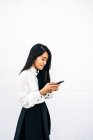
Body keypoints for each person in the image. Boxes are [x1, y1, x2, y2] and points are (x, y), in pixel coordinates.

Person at [14, 43, 60, 140]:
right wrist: (42, 91)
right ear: (34, 57)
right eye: (43, 59)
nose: (45, 63)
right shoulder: (24, 75)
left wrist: (50, 90)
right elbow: (23, 101)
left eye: (46, 60)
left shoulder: (39, 74)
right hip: (30, 116)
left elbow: (44, 97)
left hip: (42, 112)